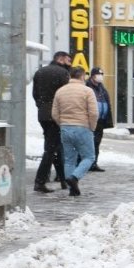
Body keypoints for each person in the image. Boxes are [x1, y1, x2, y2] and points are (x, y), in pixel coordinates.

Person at [52, 66, 99, 197]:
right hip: (83, 127)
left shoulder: (60, 91)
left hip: (66, 128)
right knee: (89, 157)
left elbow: (55, 113)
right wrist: (92, 127)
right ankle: (75, 178)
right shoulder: (87, 91)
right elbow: (94, 113)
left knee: (69, 159)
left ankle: (72, 188)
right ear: (82, 76)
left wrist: (62, 123)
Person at [32, 51, 72, 193]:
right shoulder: (63, 73)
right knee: (51, 149)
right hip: (56, 115)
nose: (70, 63)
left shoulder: (40, 72)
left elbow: (35, 94)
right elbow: (66, 95)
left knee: (55, 146)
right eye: (68, 60)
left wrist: (42, 107)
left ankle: (63, 180)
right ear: (60, 59)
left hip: (43, 114)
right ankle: (40, 181)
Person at [85, 67, 113, 172]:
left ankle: (93, 163)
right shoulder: (87, 86)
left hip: (100, 120)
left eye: (102, 74)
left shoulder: (102, 88)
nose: (100, 77)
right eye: (98, 74)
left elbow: (106, 102)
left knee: (96, 142)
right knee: (88, 142)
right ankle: (85, 163)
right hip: (90, 119)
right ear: (92, 76)